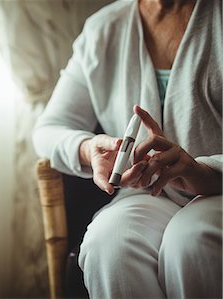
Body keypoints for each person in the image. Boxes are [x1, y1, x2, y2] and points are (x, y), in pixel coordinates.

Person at [32, 0, 222, 298]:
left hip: (219, 190)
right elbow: (49, 128)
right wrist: (87, 149)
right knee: (109, 242)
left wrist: (207, 171)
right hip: (146, 194)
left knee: (192, 239)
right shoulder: (104, 28)